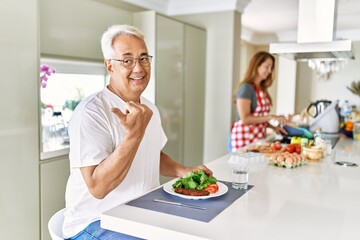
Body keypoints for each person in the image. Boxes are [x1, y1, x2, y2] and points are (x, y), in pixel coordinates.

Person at [62, 24, 212, 240]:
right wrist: (134, 135)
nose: (139, 68)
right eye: (127, 60)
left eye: (143, 58)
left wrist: (183, 170)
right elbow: (98, 187)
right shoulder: (91, 112)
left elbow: (151, 155)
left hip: (141, 213)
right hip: (96, 222)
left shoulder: (149, 108)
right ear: (109, 66)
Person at [230, 51, 288, 152]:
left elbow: (259, 119)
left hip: (258, 139)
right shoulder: (246, 88)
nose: (270, 71)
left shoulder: (262, 89)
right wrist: (271, 117)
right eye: (267, 67)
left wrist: (273, 127)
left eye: (271, 68)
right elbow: (245, 119)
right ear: (257, 66)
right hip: (244, 139)